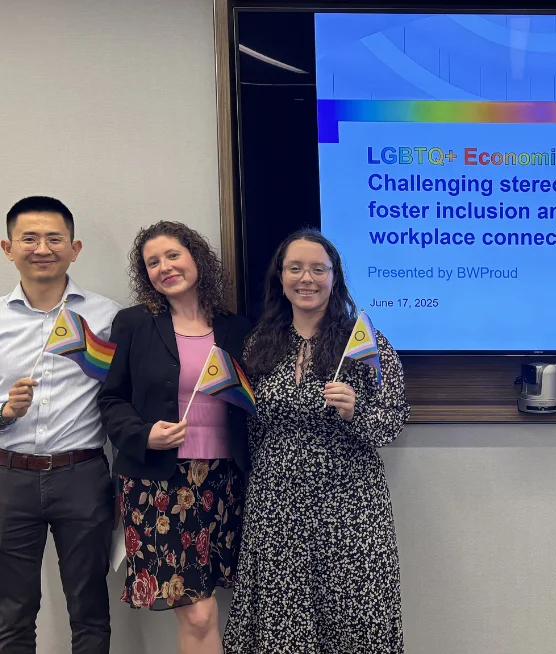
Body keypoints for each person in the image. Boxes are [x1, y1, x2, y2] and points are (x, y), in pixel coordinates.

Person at [223, 229, 410, 653]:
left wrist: (355, 410)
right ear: (280, 278)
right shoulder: (258, 345)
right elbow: (251, 428)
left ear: (334, 277)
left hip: (349, 505)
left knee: (355, 616)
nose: (306, 278)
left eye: (318, 269)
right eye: (295, 268)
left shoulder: (366, 344)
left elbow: (394, 421)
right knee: (281, 619)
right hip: (276, 504)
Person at [97, 221, 252, 654]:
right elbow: (111, 401)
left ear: (196, 258)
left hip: (226, 483)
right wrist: (144, 434)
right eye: (152, 262)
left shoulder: (237, 328)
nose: (164, 267)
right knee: (199, 613)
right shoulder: (133, 324)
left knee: (208, 612)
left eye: (172, 255)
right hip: (158, 486)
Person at [0, 196, 120, 654]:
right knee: (12, 612)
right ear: (8, 248)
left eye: (55, 238)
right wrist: (5, 411)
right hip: (10, 476)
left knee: (89, 610)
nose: (42, 248)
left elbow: (127, 391)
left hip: (83, 476)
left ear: (75, 248)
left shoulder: (107, 317)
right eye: (29, 238)